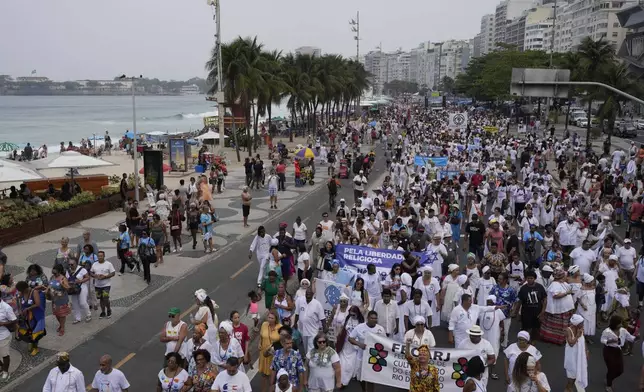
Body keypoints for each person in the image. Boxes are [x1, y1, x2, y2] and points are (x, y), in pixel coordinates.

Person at [348, 311, 386, 392]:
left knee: (371, 378)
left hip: (374, 357)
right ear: (367, 318)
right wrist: (359, 344)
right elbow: (350, 338)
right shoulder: (359, 327)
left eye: (375, 318)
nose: (374, 320)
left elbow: (385, 342)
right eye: (372, 318)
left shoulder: (380, 329)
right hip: (361, 356)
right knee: (360, 378)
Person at [541, 268, 575, 345]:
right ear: (561, 276)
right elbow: (555, 295)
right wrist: (566, 293)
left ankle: (561, 339)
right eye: (565, 275)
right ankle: (555, 339)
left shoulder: (562, 283)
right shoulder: (555, 285)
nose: (566, 277)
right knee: (557, 326)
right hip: (558, 310)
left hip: (564, 309)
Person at [601, 314, 636, 391]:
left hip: (617, 351)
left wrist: (636, 337)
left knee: (620, 370)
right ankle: (609, 385)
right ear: (615, 323)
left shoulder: (623, 330)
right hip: (608, 350)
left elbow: (630, 338)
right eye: (619, 323)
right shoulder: (607, 331)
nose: (621, 324)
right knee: (611, 368)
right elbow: (602, 340)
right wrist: (610, 341)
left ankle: (608, 379)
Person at [479, 294, 506, 380]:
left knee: (494, 352)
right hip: (483, 335)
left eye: (490, 302)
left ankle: (492, 372)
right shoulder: (483, 310)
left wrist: (502, 334)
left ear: (494, 302)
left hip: (494, 335)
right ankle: (480, 370)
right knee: (482, 351)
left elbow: (502, 323)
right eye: (487, 302)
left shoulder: (498, 311)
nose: (488, 304)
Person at [294, 288, 327, 355]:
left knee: (311, 349)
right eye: (307, 294)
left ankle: (310, 363)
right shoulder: (300, 301)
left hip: (313, 331)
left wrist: (324, 328)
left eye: (309, 295)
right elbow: (297, 313)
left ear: (313, 294)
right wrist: (295, 323)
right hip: (303, 330)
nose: (308, 296)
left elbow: (322, 318)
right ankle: (307, 361)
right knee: (306, 349)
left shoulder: (317, 304)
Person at [515, 269, 546, 341]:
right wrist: (517, 313)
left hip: (537, 312)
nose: (530, 280)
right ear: (526, 279)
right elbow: (519, 302)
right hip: (526, 313)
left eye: (531, 278)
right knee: (525, 329)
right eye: (528, 278)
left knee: (535, 329)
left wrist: (542, 312)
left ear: (534, 279)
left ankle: (533, 343)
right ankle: (524, 342)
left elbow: (544, 300)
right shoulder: (523, 288)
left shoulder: (540, 287)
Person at [563, 314, 588, 392]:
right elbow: (571, 344)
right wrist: (577, 336)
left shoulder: (580, 328)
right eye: (581, 323)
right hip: (571, 356)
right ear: (576, 324)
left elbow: (583, 340)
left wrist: (586, 351)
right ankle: (568, 389)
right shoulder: (568, 330)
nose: (583, 325)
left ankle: (571, 388)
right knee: (572, 376)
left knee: (578, 374)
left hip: (579, 355)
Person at [90, 251, 115, 319]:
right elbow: (91, 272)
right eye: (99, 256)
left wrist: (105, 276)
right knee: (101, 298)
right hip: (97, 285)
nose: (100, 257)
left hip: (106, 284)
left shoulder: (108, 264)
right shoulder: (94, 264)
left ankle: (109, 309)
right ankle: (103, 312)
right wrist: (95, 275)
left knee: (105, 298)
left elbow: (113, 273)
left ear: (104, 256)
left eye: (101, 256)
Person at [66, 256, 91, 324]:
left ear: (76, 263)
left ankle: (88, 314)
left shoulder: (82, 269)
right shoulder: (68, 270)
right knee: (75, 304)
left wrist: (80, 281)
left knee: (82, 302)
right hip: (72, 288)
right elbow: (66, 279)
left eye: (72, 264)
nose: (70, 266)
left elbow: (88, 277)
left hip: (82, 286)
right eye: (69, 264)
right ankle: (78, 318)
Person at [49, 263, 70, 336]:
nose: (53, 271)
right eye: (53, 269)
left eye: (55, 270)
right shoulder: (52, 277)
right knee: (57, 314)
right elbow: (50, 285)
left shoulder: (63, 278)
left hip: (61, 299)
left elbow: (67, 288)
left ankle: (62, 328)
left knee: (62, 314)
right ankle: (61, 325)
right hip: (54, 299)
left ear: (59, 271)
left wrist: (62, 284)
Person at [0, 287, 16, 380]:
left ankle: (5, 371)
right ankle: (2, 367)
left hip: (3, 336)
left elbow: (14, 320)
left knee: (4, 355)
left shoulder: (6, 307)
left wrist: (3, 323)